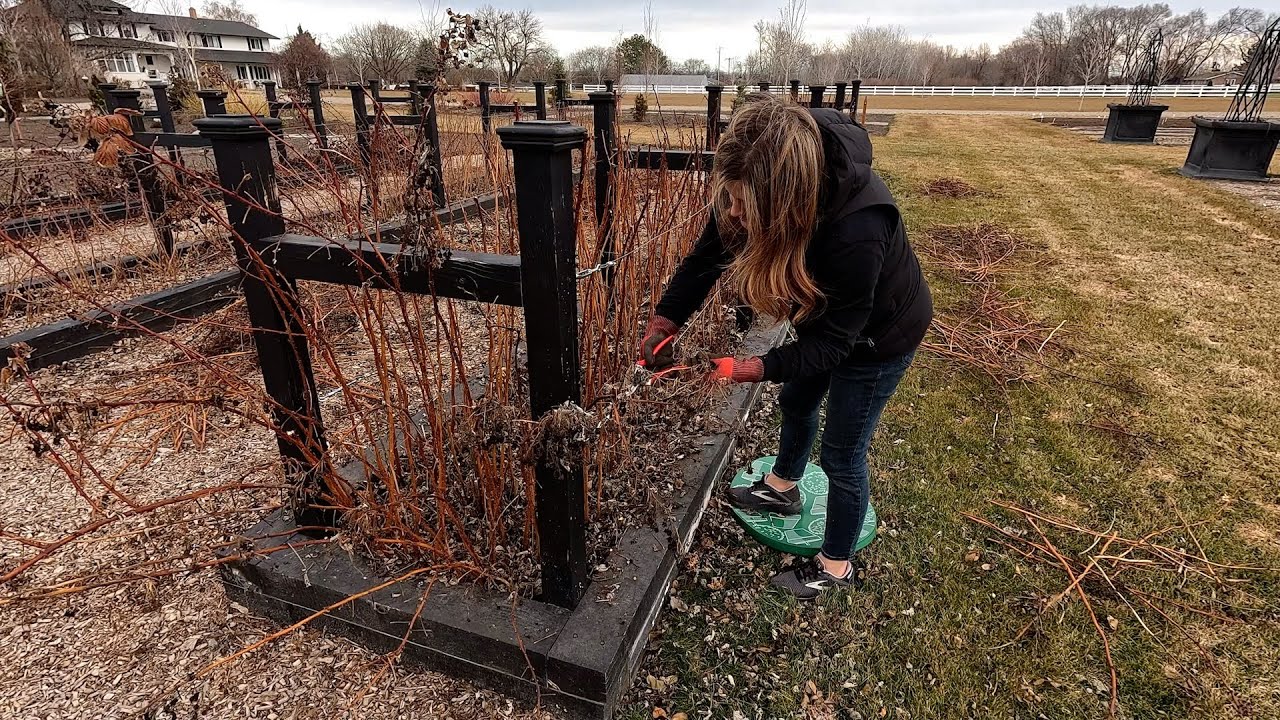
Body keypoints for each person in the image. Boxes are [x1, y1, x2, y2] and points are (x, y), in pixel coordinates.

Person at [640, 94, 932, 600]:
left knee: (844, 452)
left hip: (877, 338)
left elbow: (835, 346)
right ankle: (781, 488)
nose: (732, 213)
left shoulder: (858, 231)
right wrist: (664, 321)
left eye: (742, 205)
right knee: (797, 400)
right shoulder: (755, 170)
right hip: (828, 317)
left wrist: (746, 367)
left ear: (785, 203)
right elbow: (703, 260)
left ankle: (834, 565)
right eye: (729, 199)